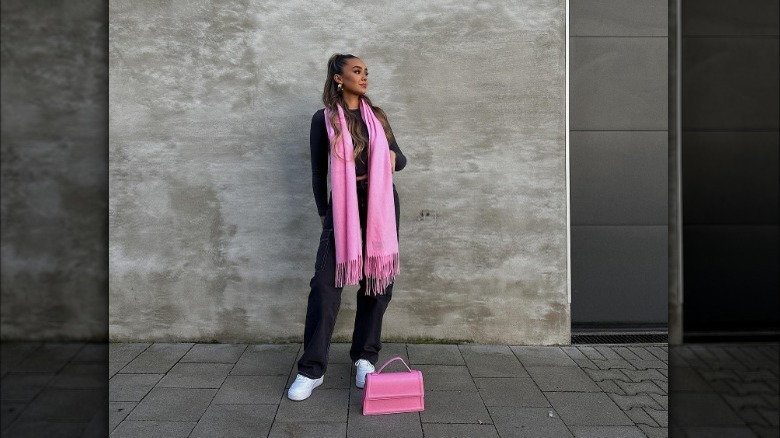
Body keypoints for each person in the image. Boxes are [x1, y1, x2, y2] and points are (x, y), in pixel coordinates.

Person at [288, 53, 407, 401]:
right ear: (339, 78)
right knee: (324, 287)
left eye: (366, 71)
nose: (364, 76)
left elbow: (401, 159)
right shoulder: (323, 120)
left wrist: (385, 154)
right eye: (357, 71)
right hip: (343, 206)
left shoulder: (377, 117)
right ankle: (311, 370)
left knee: (377, 284)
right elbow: (317, 172)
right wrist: (324, 212)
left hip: (381, 204)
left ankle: (365, 358)